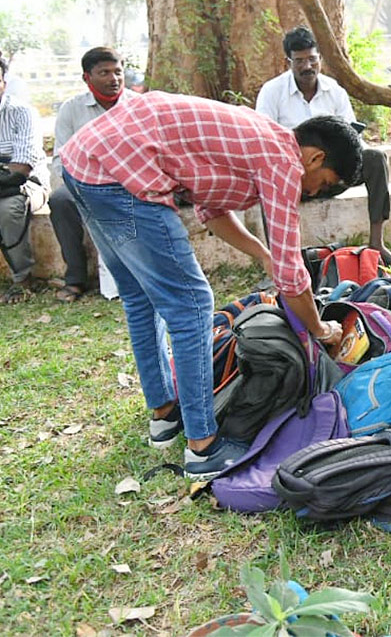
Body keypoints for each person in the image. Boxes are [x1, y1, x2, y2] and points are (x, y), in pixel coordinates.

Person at [60, 92, 362, 479]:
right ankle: (203, 447)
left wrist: (263, 254)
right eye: (324, 184)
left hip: (88, 164)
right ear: (315, 157)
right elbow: (291, 273)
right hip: (120, 175)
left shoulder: (260, 139)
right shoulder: (284, 161)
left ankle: (165, 413)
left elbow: (214, 213)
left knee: (140, 298)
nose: (314, 192)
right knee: (193, 305)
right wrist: (321, 329)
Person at [256, 26, 391, 264]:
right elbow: (263, 141)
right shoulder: (272, 92)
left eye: (312, 59)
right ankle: (280, 259)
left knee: (374, 159)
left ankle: (377, 243)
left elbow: (353, 138)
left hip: (335, 173)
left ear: (320, 58)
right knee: (268, 183)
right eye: (299, 61)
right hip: (297, 177)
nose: (307, 66)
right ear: (287, 62)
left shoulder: (335, 91)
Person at [48, 47, 126, 302]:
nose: (113, 79)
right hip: (85, 183)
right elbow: (61, 158)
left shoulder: (136, 106)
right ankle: (76, 279)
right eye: (104, 72)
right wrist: (80, 185)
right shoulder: (72, 110)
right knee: (60, 201)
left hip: (129, 183)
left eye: (118, 72)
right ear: (87, 77)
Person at [0, 56, 50, 303]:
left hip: (27, 185)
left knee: (7, 210)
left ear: (3, 82)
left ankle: (22, 280)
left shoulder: (22, 112)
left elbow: (21, 169)